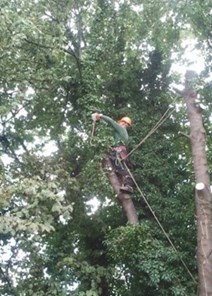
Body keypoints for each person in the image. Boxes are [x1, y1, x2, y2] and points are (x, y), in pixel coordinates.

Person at [91, 112, 134, 194]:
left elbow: (111, 122)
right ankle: (124, 186)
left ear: (123, 123)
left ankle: (129, 185)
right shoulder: (120, 132)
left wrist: (101, 116)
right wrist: (99, 121)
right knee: (118, 168)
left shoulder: (121, 128)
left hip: (119, 151)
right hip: (119, 150)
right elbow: (109, 126)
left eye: (121, 122)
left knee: (120, 167)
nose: (119, 123)